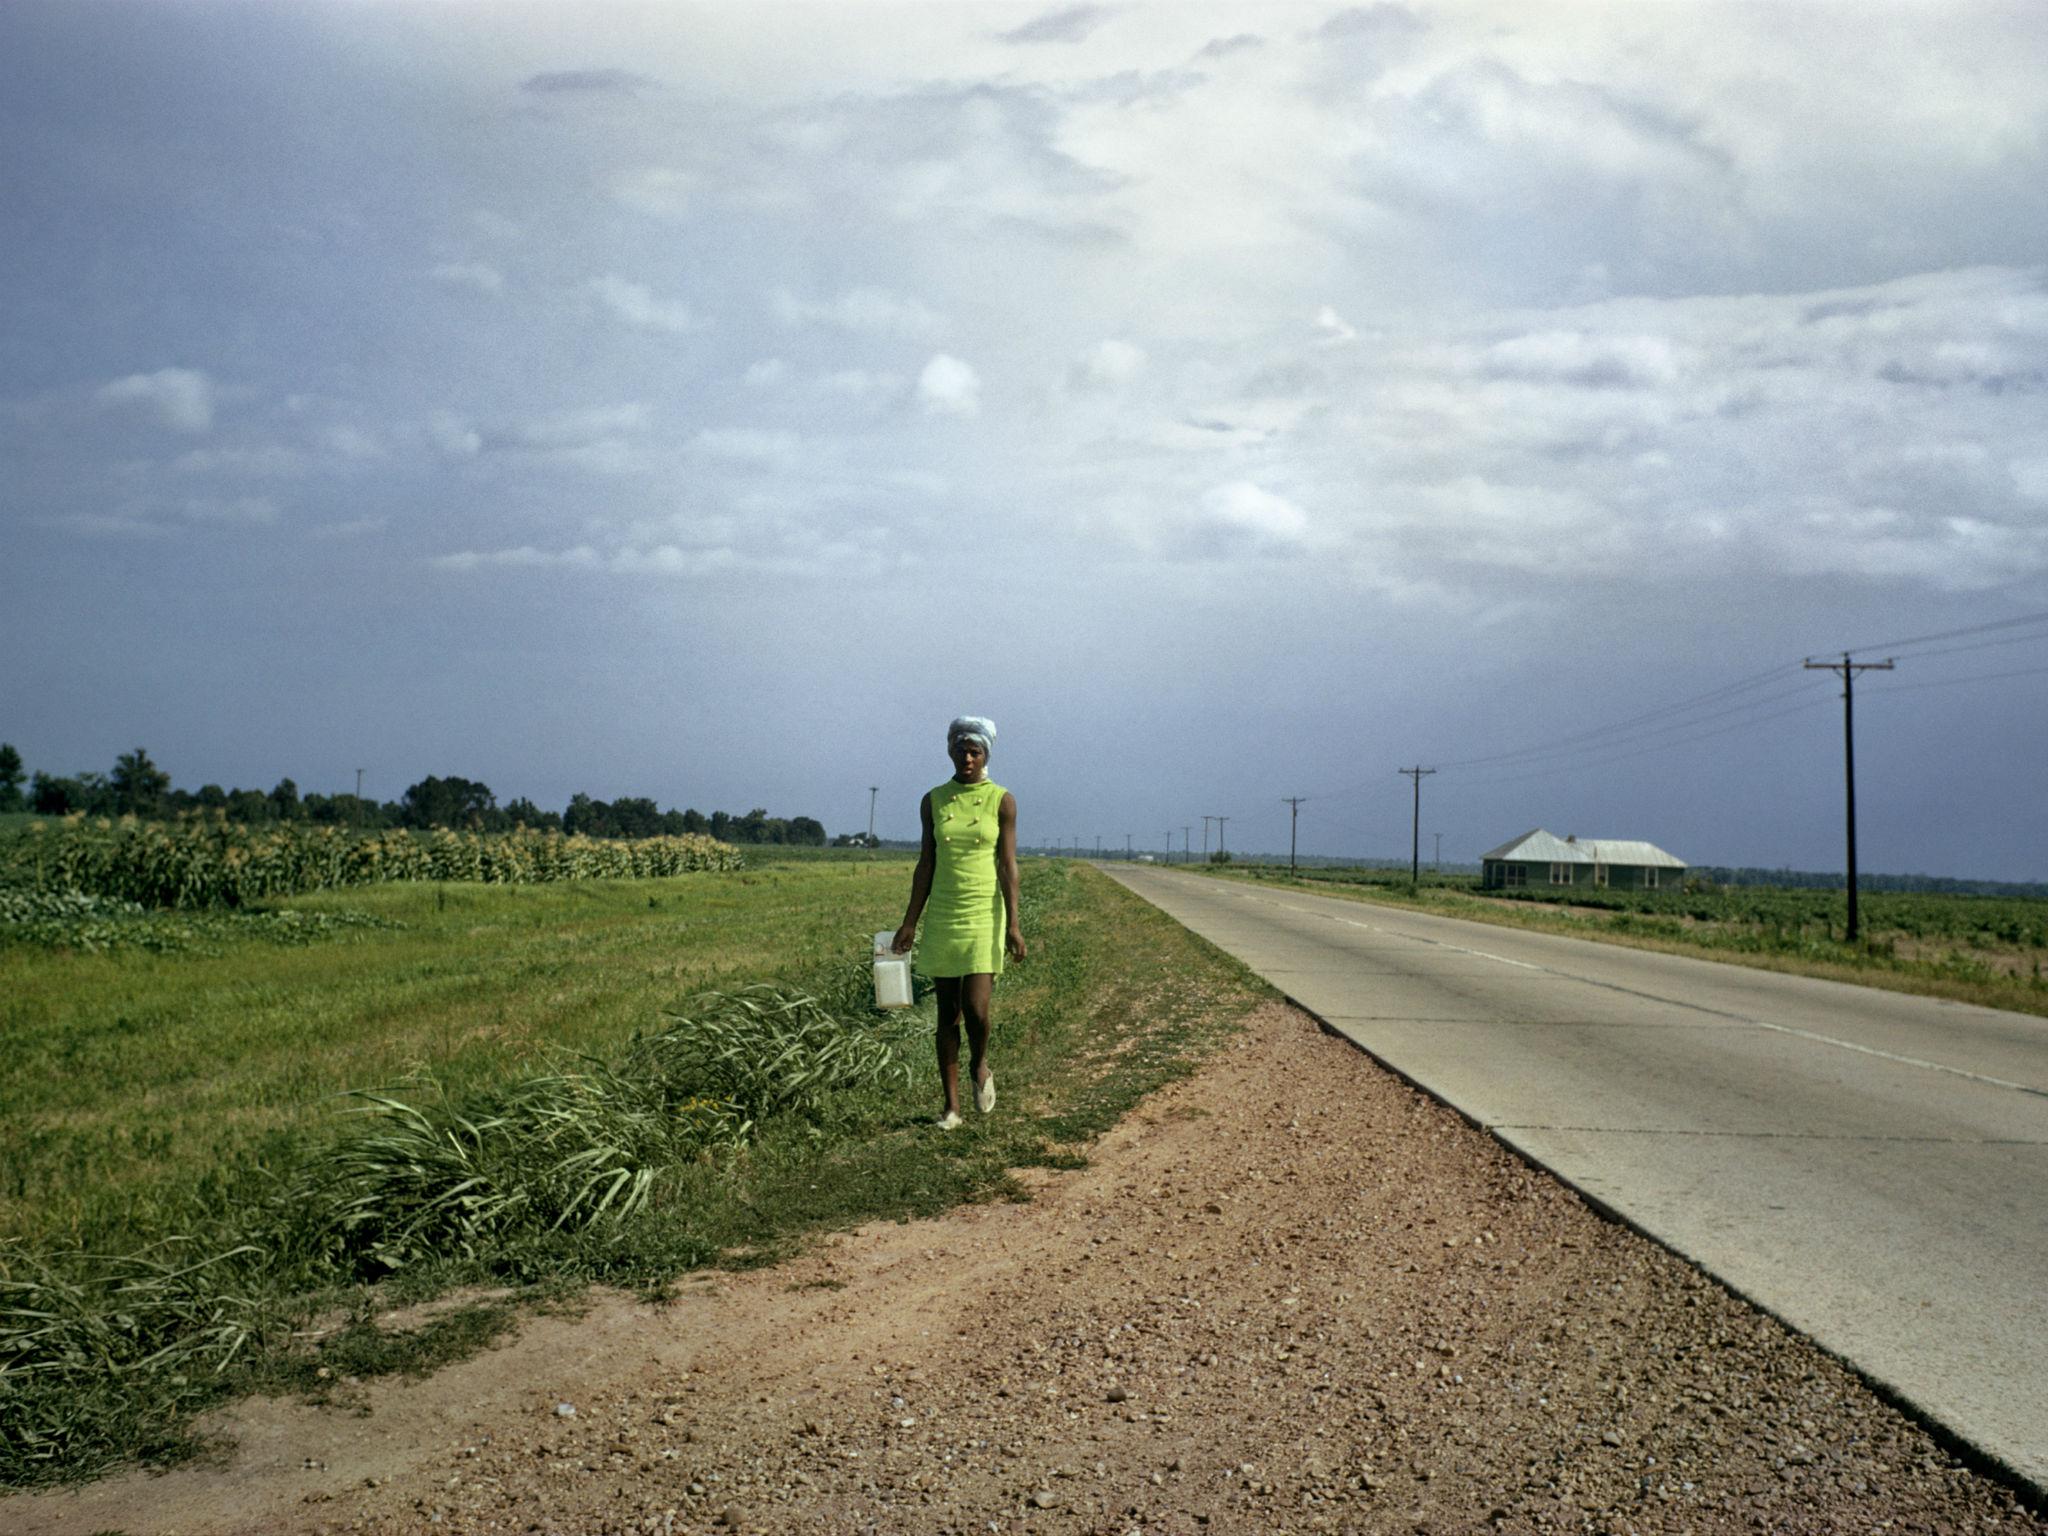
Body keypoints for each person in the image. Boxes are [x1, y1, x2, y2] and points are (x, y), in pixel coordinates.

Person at [892, 715, 1026, 1129]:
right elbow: (926, 863)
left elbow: (1007, 865)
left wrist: (1014, 926)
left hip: (984, 914)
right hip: (945, 913)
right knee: (947, 1013)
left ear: (986, 754)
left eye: (975, 751)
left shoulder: (1002, 800)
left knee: (977, 1009)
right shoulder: (933, 800)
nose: (967, 758)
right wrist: (910, 920)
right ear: (950, 751)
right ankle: (951, 1108)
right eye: (960, 750)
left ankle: (980, 1063)